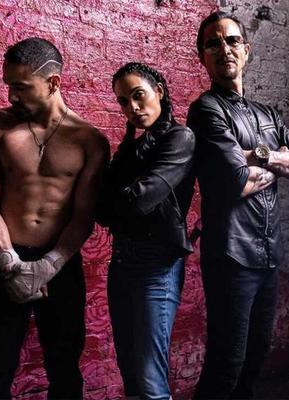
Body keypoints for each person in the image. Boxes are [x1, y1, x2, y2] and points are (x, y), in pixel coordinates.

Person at [0, 37, 109, 399]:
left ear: (53, 82)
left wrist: (48, 266)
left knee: (64, 371)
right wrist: (9, 264)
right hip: (4, 261)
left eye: (21, 86)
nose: (11, 96)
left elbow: (83, 215)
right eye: (8, 85)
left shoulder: (89, 140)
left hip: (60, 268)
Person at [187, 12, 289, 399]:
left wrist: (258, 156)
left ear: (246, 49)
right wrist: (280, 160)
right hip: (230, 256)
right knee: (227, 363)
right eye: (213, 44)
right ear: (203, 57)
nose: (224, 49)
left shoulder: (268, 114)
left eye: (231, 41)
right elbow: (235, 181)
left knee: (256, 357)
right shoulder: (207, 109)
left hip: (269, 254)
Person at [97, 62, 196, 400]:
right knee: (130, 370)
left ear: (160, 92)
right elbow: (102, 211)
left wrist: (113, 199)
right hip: (121, 262)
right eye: (124, 101)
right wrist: (115, 201)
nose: (133, 107)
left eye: (139, 95)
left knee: (150, 378)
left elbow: (140, 200)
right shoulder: (129, 150)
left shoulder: (180, 138)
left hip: (157, 265)